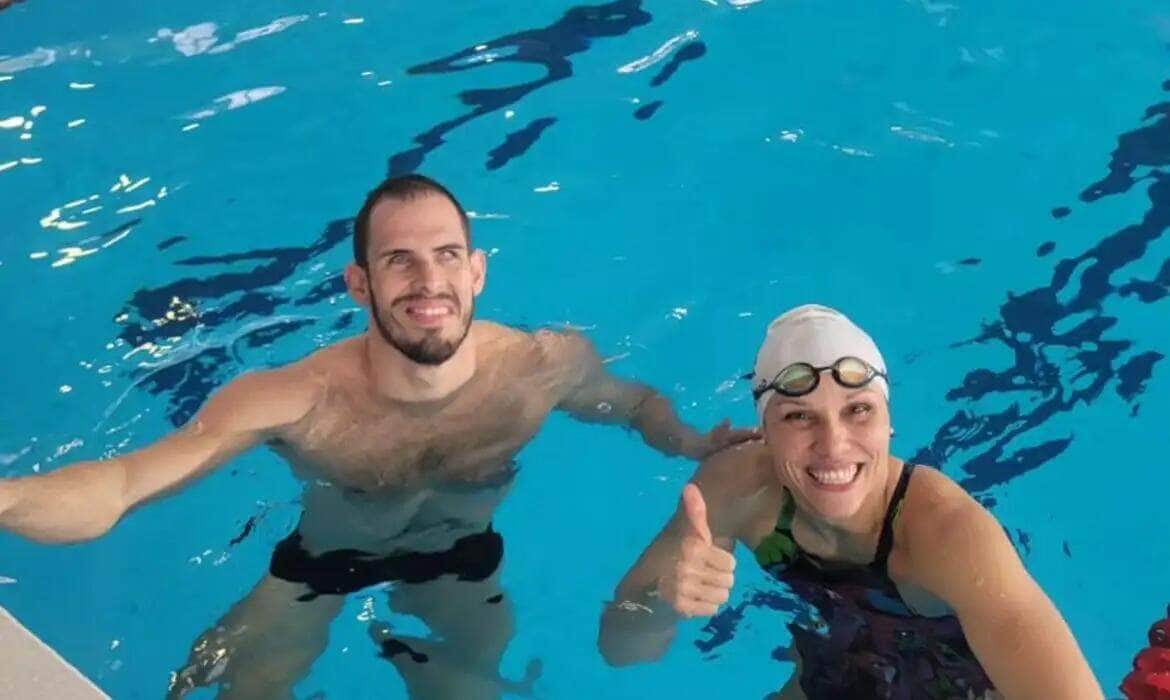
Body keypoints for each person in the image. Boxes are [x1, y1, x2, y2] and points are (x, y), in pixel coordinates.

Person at [0, 174, 751, 699]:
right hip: (324, 563)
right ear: (360, 284)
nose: (428, 283)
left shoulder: (540, 367)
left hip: (463, 563)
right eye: (400, 262)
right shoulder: (295, 401)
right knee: (242, 688)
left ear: (477, 271)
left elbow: (630, 404)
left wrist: (687, 442)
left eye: (446, 256)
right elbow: (126, 484)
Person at [598, 304, 1104, 699]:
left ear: (889, 423)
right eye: (799, 417)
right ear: (765, 433)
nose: (833, 444)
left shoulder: (949, 535)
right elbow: (621, 650)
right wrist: (664, 601)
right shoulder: (736, 488)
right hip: (844, 660)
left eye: (858, 410)